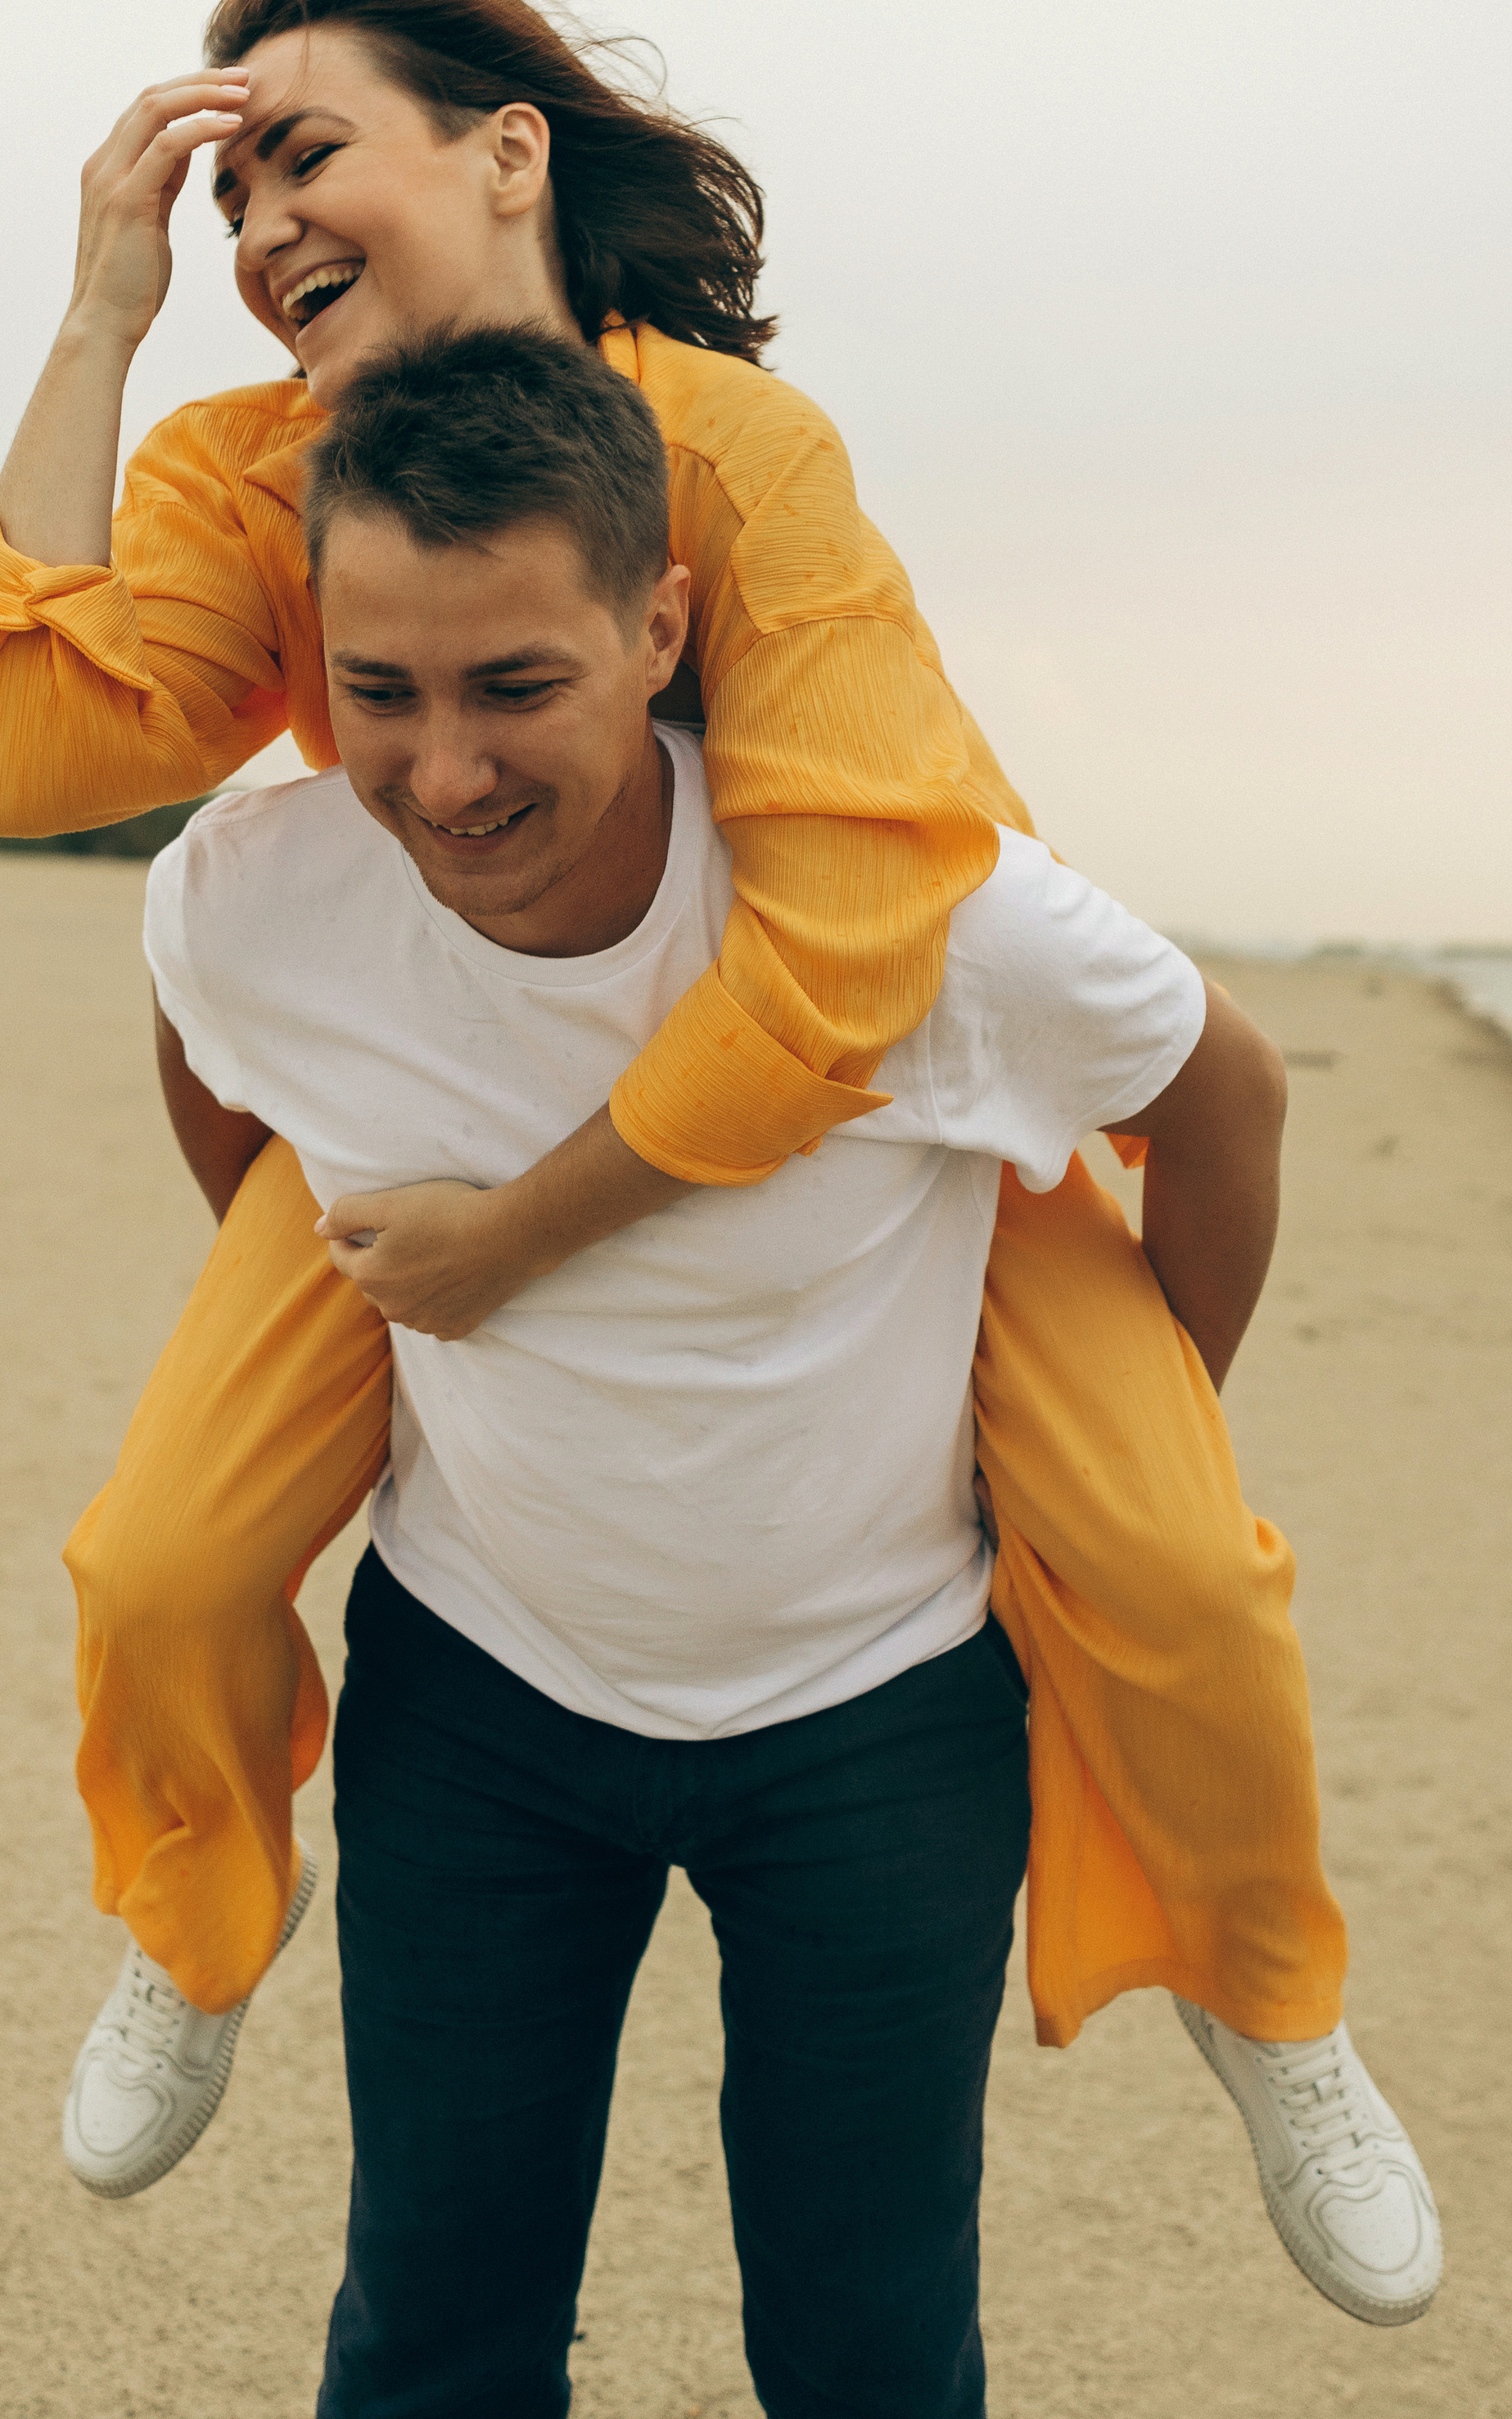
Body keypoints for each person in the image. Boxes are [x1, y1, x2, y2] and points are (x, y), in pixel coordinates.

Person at [0, 0, 1439, 2327]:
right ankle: (204, 1912)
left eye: (303, 147)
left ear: (508, 150)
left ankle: (1270, 2005)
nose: (258, 223)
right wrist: (104, 317)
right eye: (220, 200)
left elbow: (835, 951)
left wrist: (527, 1241)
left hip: (882, 1085)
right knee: (168, 1563)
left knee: (1171, 1574)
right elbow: (20, 766)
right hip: (466, 1086)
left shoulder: (731, 447)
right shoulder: (248, 470)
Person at [137, 324, 1403, 2412]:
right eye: (380, 693)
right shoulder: (250, 900)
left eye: (512, 686)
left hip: (876, 1723)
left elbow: (1224, 1093)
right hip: (477, 1696)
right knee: (432, 2327)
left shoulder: (935, 927)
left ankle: (1267, 2011)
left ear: (659, 629)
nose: (441, 773)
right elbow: (210, 1056)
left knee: (866, 2343)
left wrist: (1144, 1414)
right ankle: (189, 1916)